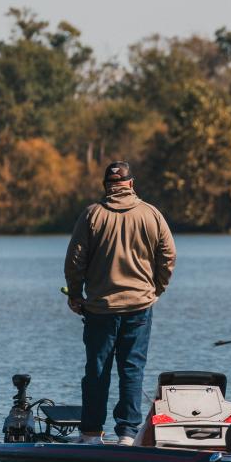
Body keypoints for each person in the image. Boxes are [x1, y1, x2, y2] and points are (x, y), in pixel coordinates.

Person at [63, 161, 176, 445]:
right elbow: (168, 256)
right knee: (132, 369)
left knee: (97, 371)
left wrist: (75, 295)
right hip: (139, 306)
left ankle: (90, 434)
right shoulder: (151, 214)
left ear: (106, 186)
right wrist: (156, 289)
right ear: (131, 185)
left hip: (100, 308)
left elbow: (75, 261)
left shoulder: (92, 215)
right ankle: (127, 434)